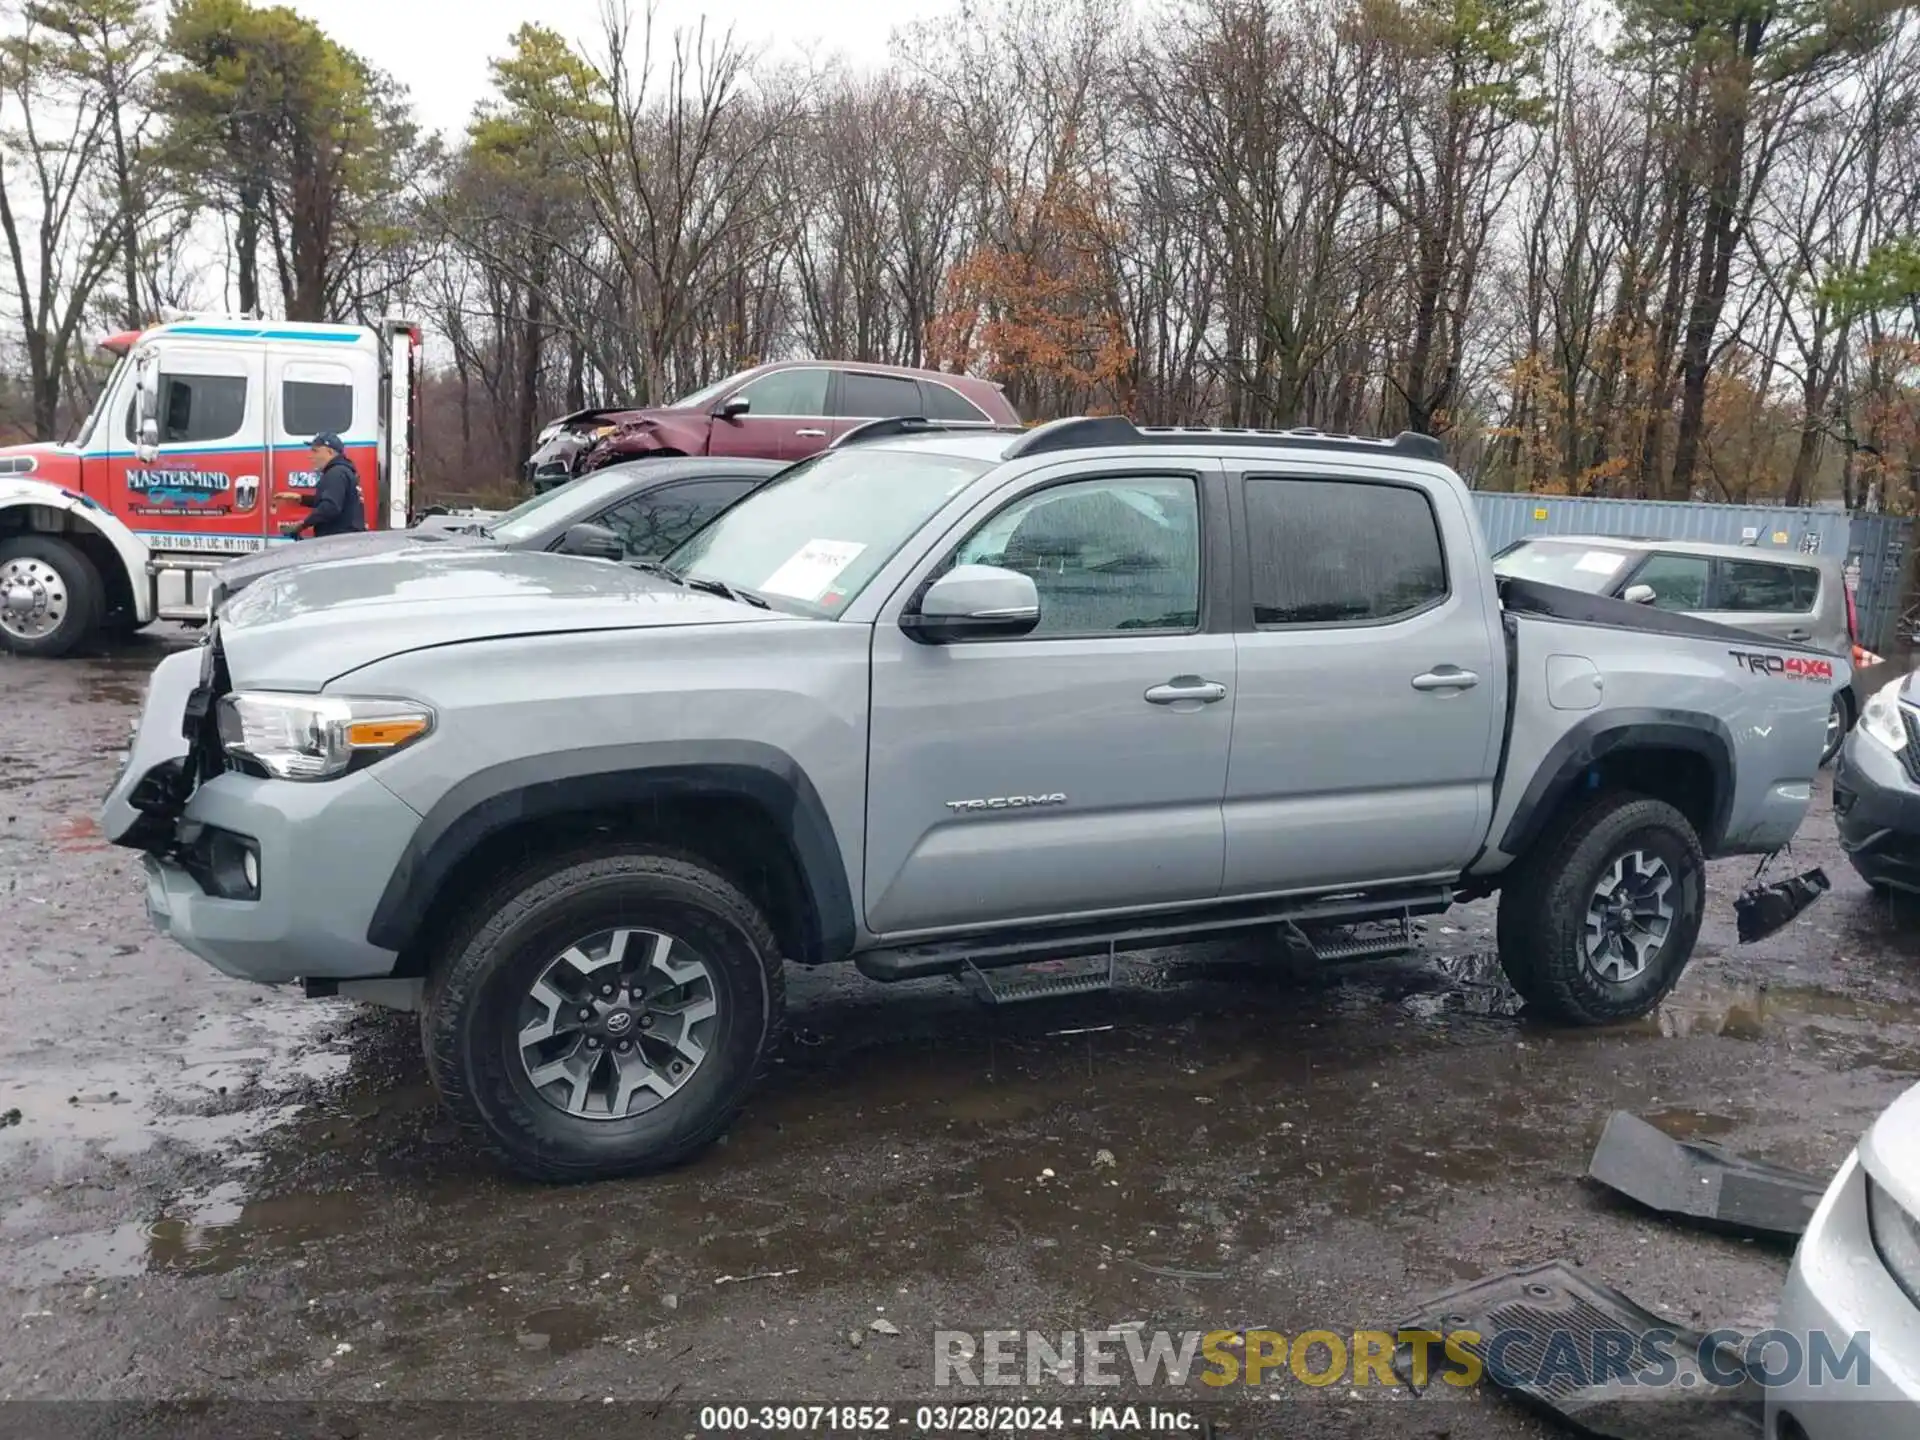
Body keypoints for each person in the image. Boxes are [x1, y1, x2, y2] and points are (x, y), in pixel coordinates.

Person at [276, 432, 366, 539]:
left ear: (330, 452)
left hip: (338, 542)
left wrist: (302, 525)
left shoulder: (335, 473)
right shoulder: (343, 471)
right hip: (347, 539)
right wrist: (300, 499)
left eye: (315, 451)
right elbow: (334, 500)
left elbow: (330, 507)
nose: (310, 456)